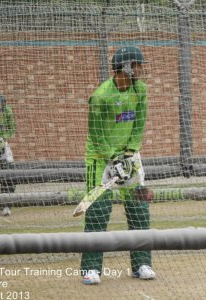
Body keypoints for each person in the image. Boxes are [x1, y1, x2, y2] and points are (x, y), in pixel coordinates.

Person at [80, 46, 155, 285]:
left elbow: (139, 123)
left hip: (128, 154)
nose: (141, 69)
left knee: (139, 209)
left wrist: (130, 152)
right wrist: (113, 157)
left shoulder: (140, 90)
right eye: (137, 65)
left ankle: (142, 263)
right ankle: (91, 269)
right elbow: (96, 134)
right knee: (99, 212)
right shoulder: (101, 96)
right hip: (100, 157)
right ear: (124, 67)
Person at [0, 91, 16, 216]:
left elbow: (11, 129)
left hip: (2, 144)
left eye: (1, 107)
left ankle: (5, 205)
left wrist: (3, 138)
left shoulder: (7, 111)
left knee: (10, 173)